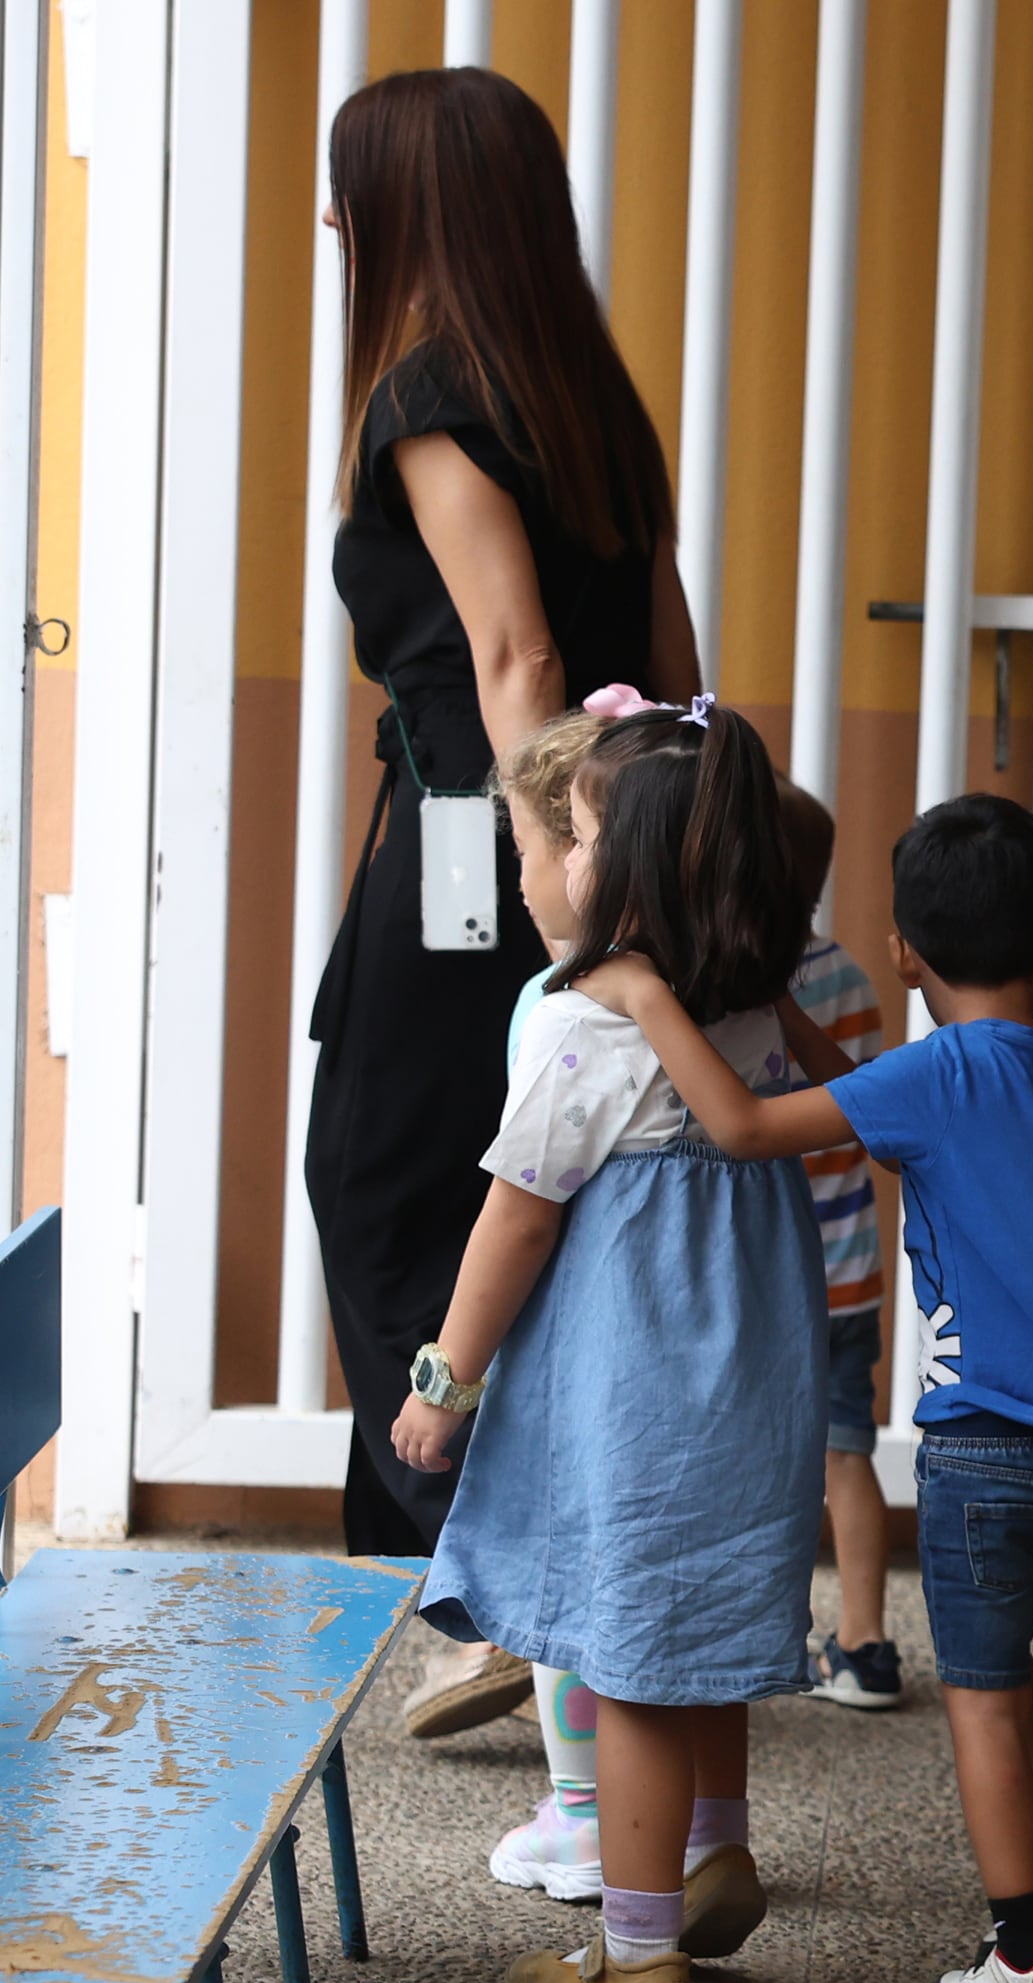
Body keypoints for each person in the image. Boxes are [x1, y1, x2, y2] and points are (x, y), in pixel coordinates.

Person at [586, 798, 1033, 1983]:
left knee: (975, 1694)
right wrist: (795, 1028)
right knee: (1010, 1666)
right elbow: (884, 1110)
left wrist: (649, 1002)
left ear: (904, 955)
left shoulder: (938, 1077)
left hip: (985, 1447)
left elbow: (745, 1131)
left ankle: (1023, 1961)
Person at [304, 67, 700, 1742]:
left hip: (490, 847)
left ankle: (465, 1555)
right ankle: (511, 1571)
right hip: (581, 836)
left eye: (348, 189)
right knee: (514, 1186)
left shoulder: (428, 393)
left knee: (385, 1173)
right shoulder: (587, 394)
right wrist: (668, 851)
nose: (332, 220)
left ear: (406, 206)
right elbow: (666, 655)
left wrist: (559, 882)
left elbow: (517, 654)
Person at [395, 700, 823, 1983]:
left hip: (642, 1371)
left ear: (626, 871)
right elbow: (844, 1097)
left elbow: (517, 1210)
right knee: (696, 1625)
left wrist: (443, 1379)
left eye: (574, 833)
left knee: (632, 1654)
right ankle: (713, 1855)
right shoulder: (752, 1006)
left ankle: (637, 1950)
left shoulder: (598, 1024)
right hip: (747, 1371)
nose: (564, 859)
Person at [476, 702, 623, 1902]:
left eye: (531, 847)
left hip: (578, 1352)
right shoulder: (722, 993)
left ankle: (585, 1813)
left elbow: (526, 1201)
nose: (524, 879)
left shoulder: (565, 1009)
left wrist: (450, 1366)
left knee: (563, 1586)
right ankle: (681, 1821)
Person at [775, 784, 901, 1711]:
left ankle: (760, 1633)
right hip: (849, 1270)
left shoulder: (731, 989)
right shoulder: (851, 978)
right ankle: (864, 1642)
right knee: (846, 1454)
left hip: (767, 1275)